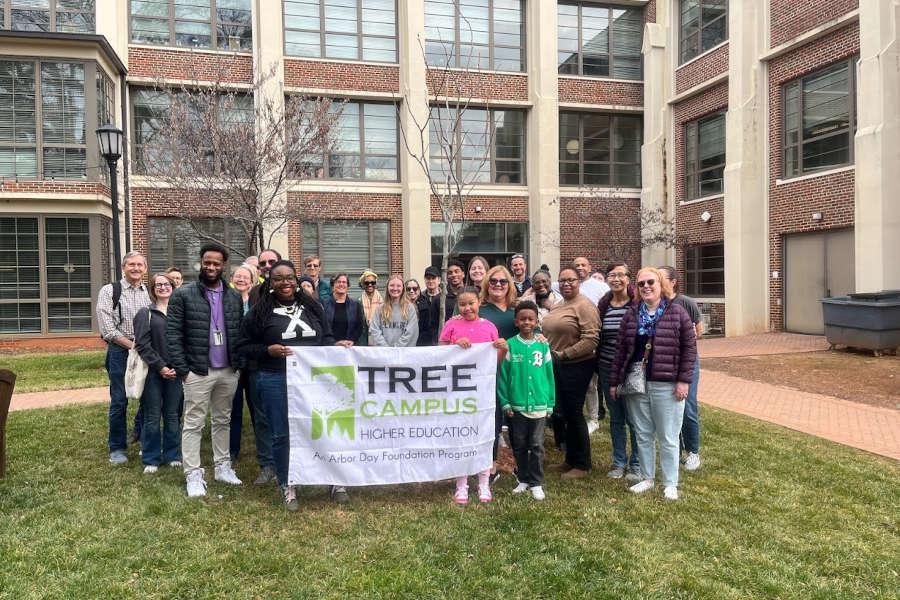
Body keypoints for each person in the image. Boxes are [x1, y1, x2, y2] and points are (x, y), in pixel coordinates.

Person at [236, 260, 347, 510]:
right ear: (270, 283)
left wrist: (336, 346)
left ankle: (332, 479)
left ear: (297, 280)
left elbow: (326, 337)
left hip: (313, 379)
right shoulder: (259, 311)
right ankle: (288, 484)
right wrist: (267, 350)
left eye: (289, 277)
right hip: (274, 378)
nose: (284, 282)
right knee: (282, 433)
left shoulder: (312, 306)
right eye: (278, 278)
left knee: (321, 427)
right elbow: (242, 346)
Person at [609, 267, 696, 501]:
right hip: (637, 383)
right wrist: (615, 381)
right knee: (643, 433)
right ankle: (647, 478)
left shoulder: (677, 312)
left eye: (651, 282)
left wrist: (683, 381)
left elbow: (689, 349)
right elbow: (620, 351)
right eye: (641, 284)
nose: (646, 287)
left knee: (668, 436)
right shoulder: (631, 314)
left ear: (661, 285)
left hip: (666, 384)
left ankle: (670, 483)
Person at [167, 243, 244, 498]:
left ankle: (222, 466)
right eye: (207, 262)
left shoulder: (233, 296)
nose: (211, 267)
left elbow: (239, 332)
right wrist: (183, 369)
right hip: (197, 371)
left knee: (223, 419)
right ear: (201, 263)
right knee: (193, 422)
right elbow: (173, 334)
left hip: (228, 370)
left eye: (216, 263)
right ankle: (193, 474)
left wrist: (239, 366)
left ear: (224, 267)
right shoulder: (184, 294)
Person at [439, 287, 508, 504]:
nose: (467, 308)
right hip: (459, 391)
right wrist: (455, 347)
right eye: (462, 304)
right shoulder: (451, 325)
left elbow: (494, 363)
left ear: (479, 302)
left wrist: (503, 350)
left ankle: (484, 482)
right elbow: (439, 354)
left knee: (484, 434)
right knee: (462, 434)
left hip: (484, 391)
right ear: (457, 306)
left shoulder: (489, 327)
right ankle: (461, 484)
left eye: (471, 303)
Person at [541, 266, 600, 479]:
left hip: (577, 364)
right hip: (557, 364)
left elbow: (591, 339)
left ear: (579, 282)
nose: (567, 284)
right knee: (564, 413)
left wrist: (565, 354)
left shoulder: (585, 306)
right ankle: (569, 460)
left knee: (574, 414)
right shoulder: (560, 304)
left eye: (571, 280)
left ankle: (582, 464)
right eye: (563, 280)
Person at [96, 251, 151, 465]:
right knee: (119, 401)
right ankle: (117, 448)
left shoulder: (149, 292)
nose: (136, 268)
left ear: (145, 269)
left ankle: (143, 437)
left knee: (149, 399)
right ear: (123, 267)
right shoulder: (110, 291)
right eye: (131, 265)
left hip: (146, 351)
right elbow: (107, 329)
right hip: (120, 351)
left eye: (140, 265)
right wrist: (134, 347)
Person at [498, 301, 554, 501]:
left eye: (530, 319)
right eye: (522, 319)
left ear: (537, 321)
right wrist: (505, 402)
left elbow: (549, 376)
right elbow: (503, 376)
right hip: (517, 405)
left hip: (539, 405)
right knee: (519, 443)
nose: (526, 322)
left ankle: (536, 482)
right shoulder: (511, 345)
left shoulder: (542, 345)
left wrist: (550, 403)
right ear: (516, 322)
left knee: (537, 444)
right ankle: (523, 478)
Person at [228, 263, 275, 485]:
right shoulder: (227, 298)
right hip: (237, 362)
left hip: (261, 364)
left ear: (253, 280)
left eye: (245, 277)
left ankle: (269, 456)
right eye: (237, 276)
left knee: (262, 414)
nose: (241, 280)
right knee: (234, 409)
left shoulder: (260, 296)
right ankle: (234, 451)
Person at [596, 262, 641, 483]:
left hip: (631, 368)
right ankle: (619, 462)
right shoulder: (604, 305)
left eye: (620, 275)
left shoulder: (637, 303)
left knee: (634, 417)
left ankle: (636, 463)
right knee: (616, 417)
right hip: (606, 366)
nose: (616, 279)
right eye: (611, 275)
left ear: (628, 279)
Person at [132, 272, 181, 473]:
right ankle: (151, 458)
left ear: (173, 286)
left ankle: (172, 455)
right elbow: (143, 345)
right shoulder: (145, 313)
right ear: (153, 289)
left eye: (167, 284)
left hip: (176, 372)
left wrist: (179, 366)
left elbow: (184, 341)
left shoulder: (179, 313)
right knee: (152, 416)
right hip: (154, 372)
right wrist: (160, 367)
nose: (163, 287)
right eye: (158, 285)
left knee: (172, 415)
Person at [659, 265, 704, 471]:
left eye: (660, 278)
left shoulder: (685, 302)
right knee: (670, 409)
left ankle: (693, 452)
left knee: (688, 408)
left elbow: (699, 331)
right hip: (666, 362)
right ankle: (675, 452)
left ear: (673, 281)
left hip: (687, 361)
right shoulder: (656, 303)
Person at [370, 275, 418, 348]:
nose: (395, 288)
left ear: (403, 288)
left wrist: (396, 349)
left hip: (403, 354)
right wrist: (387, 349)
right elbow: (375, 331)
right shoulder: (379, 309)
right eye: (392, 285)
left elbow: (411, 333)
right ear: (387, 288)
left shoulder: (410, 308)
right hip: (384, 354)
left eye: (398, 286)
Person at [323, 272, 365, 347]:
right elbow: (322, 327)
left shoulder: (355, 305)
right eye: (338, 282)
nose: (341, 284)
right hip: (329, 347)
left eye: (344, 282)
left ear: (347, 285)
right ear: (333, 285)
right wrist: (333, 343)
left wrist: (351, 341)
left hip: (349, 347)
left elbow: (359, 327)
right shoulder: (324, 305)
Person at [407, 277, 435, 346]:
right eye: (408, 289)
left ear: (419, 290)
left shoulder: (426, 305)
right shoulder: (400, 306)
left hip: (422, 344)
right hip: (405, 343)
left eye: (414, 288)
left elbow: (429, 329)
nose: (411, 291)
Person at [419, 267, 442, 345]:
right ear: (425, 280)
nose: (430, 281)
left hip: (441, 339)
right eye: (428, 278)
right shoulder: (419, 298)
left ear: (439, 280)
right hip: (423, 342)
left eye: (433, 278)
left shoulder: (445, 297)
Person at [359, 270, 382, 345]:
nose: (370, 285)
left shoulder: (383, 301)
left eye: (373, 282)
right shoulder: (358, 302)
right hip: (363, 341)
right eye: (367, 283)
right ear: (363, 284)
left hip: (380, 340)